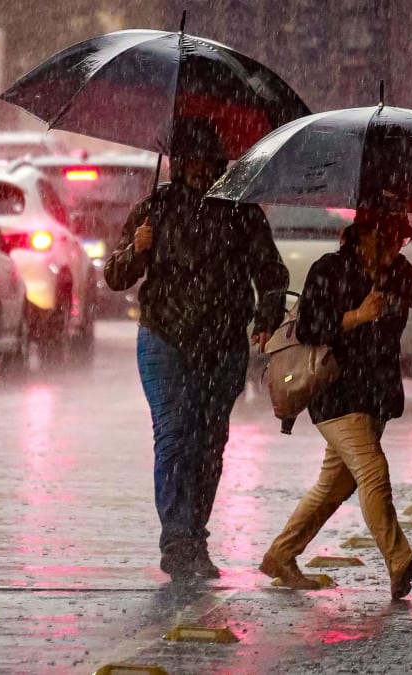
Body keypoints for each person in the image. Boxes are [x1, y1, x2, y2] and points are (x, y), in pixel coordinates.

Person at [104, 120, 289, 581]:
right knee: (173, 434)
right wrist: (137, 249)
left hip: (223, 346)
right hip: (164, 340)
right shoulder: (156, 209)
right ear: (179, 163)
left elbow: (271, 273)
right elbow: (114, 276)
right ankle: (176, 538)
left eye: (209, 162)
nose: (201, 172)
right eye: (192, 162)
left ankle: (195, 534)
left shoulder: (242, 213)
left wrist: (266, 317)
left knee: (209, 444)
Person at [258, 210, 412, 599]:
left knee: (333, 486)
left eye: (401, 241)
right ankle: (399, 560)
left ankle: (281, 554)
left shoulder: (397, 271)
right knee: (373, 470)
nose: (396, 248)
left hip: (375, 394)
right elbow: (308, 327)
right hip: (336, 393)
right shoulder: (329, 269)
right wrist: (358, 316)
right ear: (365, 236)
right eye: (390, 240)